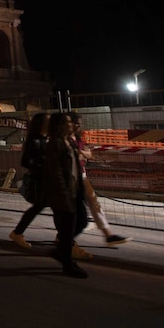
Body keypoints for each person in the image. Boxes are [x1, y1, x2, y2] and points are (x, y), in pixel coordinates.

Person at [68, 111, 130, 246]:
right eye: (76, 124)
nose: (78, 126)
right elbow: (78, 155)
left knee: (94, 203)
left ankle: (108, 234)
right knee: (73, 209)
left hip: (81, 173)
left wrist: (81, 153)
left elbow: (88, 154)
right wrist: (81, 154)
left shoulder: (77, 138)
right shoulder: (65, 139)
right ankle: (65, 238)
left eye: (79, 124)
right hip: (69, 176)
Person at [43, 112, 89, 278]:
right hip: (64, 193)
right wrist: (63, 192)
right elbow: (55, 171)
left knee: (81, 222)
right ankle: (68, 265)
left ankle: (61, 251)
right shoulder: (55, 144)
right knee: (69, 229)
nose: (71, 124)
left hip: (75, 190)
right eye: (68, 122)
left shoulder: (69, 141)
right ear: (59, 125)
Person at [9, 113, 49, 249]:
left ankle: (18, 232)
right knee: (39, 206)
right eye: (47, 121)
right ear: (41, 124)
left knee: (43, 206)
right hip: (40, 180)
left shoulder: (44, 139)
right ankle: (17, 232)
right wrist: (41, 165)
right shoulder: (34, 141)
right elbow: (25, 161)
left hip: (46, 179)